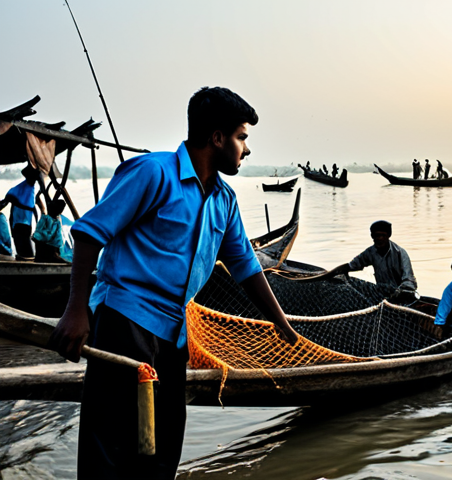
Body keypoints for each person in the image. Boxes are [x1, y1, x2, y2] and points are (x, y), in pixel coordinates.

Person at [48, 87, 299, 479]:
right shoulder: (153, 173)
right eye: (242, 137)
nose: (246, 149)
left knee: (160, 450)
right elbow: (89, 233)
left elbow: (247, 268)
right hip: (124, 322)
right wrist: (76, 310)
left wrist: (281, 324)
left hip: (173, 338)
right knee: (110, 448)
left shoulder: (224, 199)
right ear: (217, 137)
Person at [323, 220, 418, 303]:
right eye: (377, 236)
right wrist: (331, 273)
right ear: (372, 236)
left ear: (388, 236)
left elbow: (409, 281)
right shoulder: (370, 252)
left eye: (383, 235)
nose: (379, 238)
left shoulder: (400, 253)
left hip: (401, 296)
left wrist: (399, 294)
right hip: (382, 295)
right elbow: (353, 265)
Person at [0, 165, 38, 258]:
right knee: (24, 251)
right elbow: (5, 202)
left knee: (27, 251)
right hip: (18, 223)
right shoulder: (18, 190)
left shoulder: (31, 190)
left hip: (27, 224)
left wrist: (37, 223)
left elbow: (32, 208)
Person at [32, 198, 68, 263]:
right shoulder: (47, 219)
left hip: (47, 251)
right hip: (46, 252)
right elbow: (41, 237)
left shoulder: (56, 221)